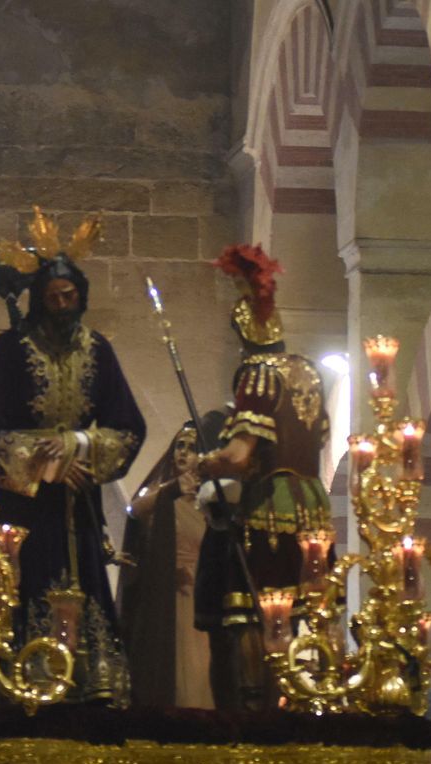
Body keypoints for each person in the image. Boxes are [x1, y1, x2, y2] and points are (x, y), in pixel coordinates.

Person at [0, 209, 147, 704]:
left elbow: (130, 427)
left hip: (79, 497)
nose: (62, 305)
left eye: (69, 297)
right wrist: (44, 461)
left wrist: (80, 446)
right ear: (39, 300)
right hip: (26, 504)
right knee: (29, 577)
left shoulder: (99, 351)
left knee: (83, 576)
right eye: (52, 298)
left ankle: (92, 678)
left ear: (82, 298)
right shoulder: (10, 350)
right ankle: (25, 674)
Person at [195, 244, 331, 712]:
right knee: (304, 614)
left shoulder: (256, 375)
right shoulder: (309, 372)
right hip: (314, 506)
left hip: (270, 510)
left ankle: (260, 711)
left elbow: (239, 454)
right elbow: (316, 437)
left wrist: (206, 463)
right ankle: (301, 698)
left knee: (254, 613)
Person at [116, 416, 217, 709]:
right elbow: (134, 509)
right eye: (179, 446)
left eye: (191, 447)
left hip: (203, 591)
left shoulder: (210, 499)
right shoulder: (162, 494)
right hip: (172, 593)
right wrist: (173, 488)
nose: (183, 453)